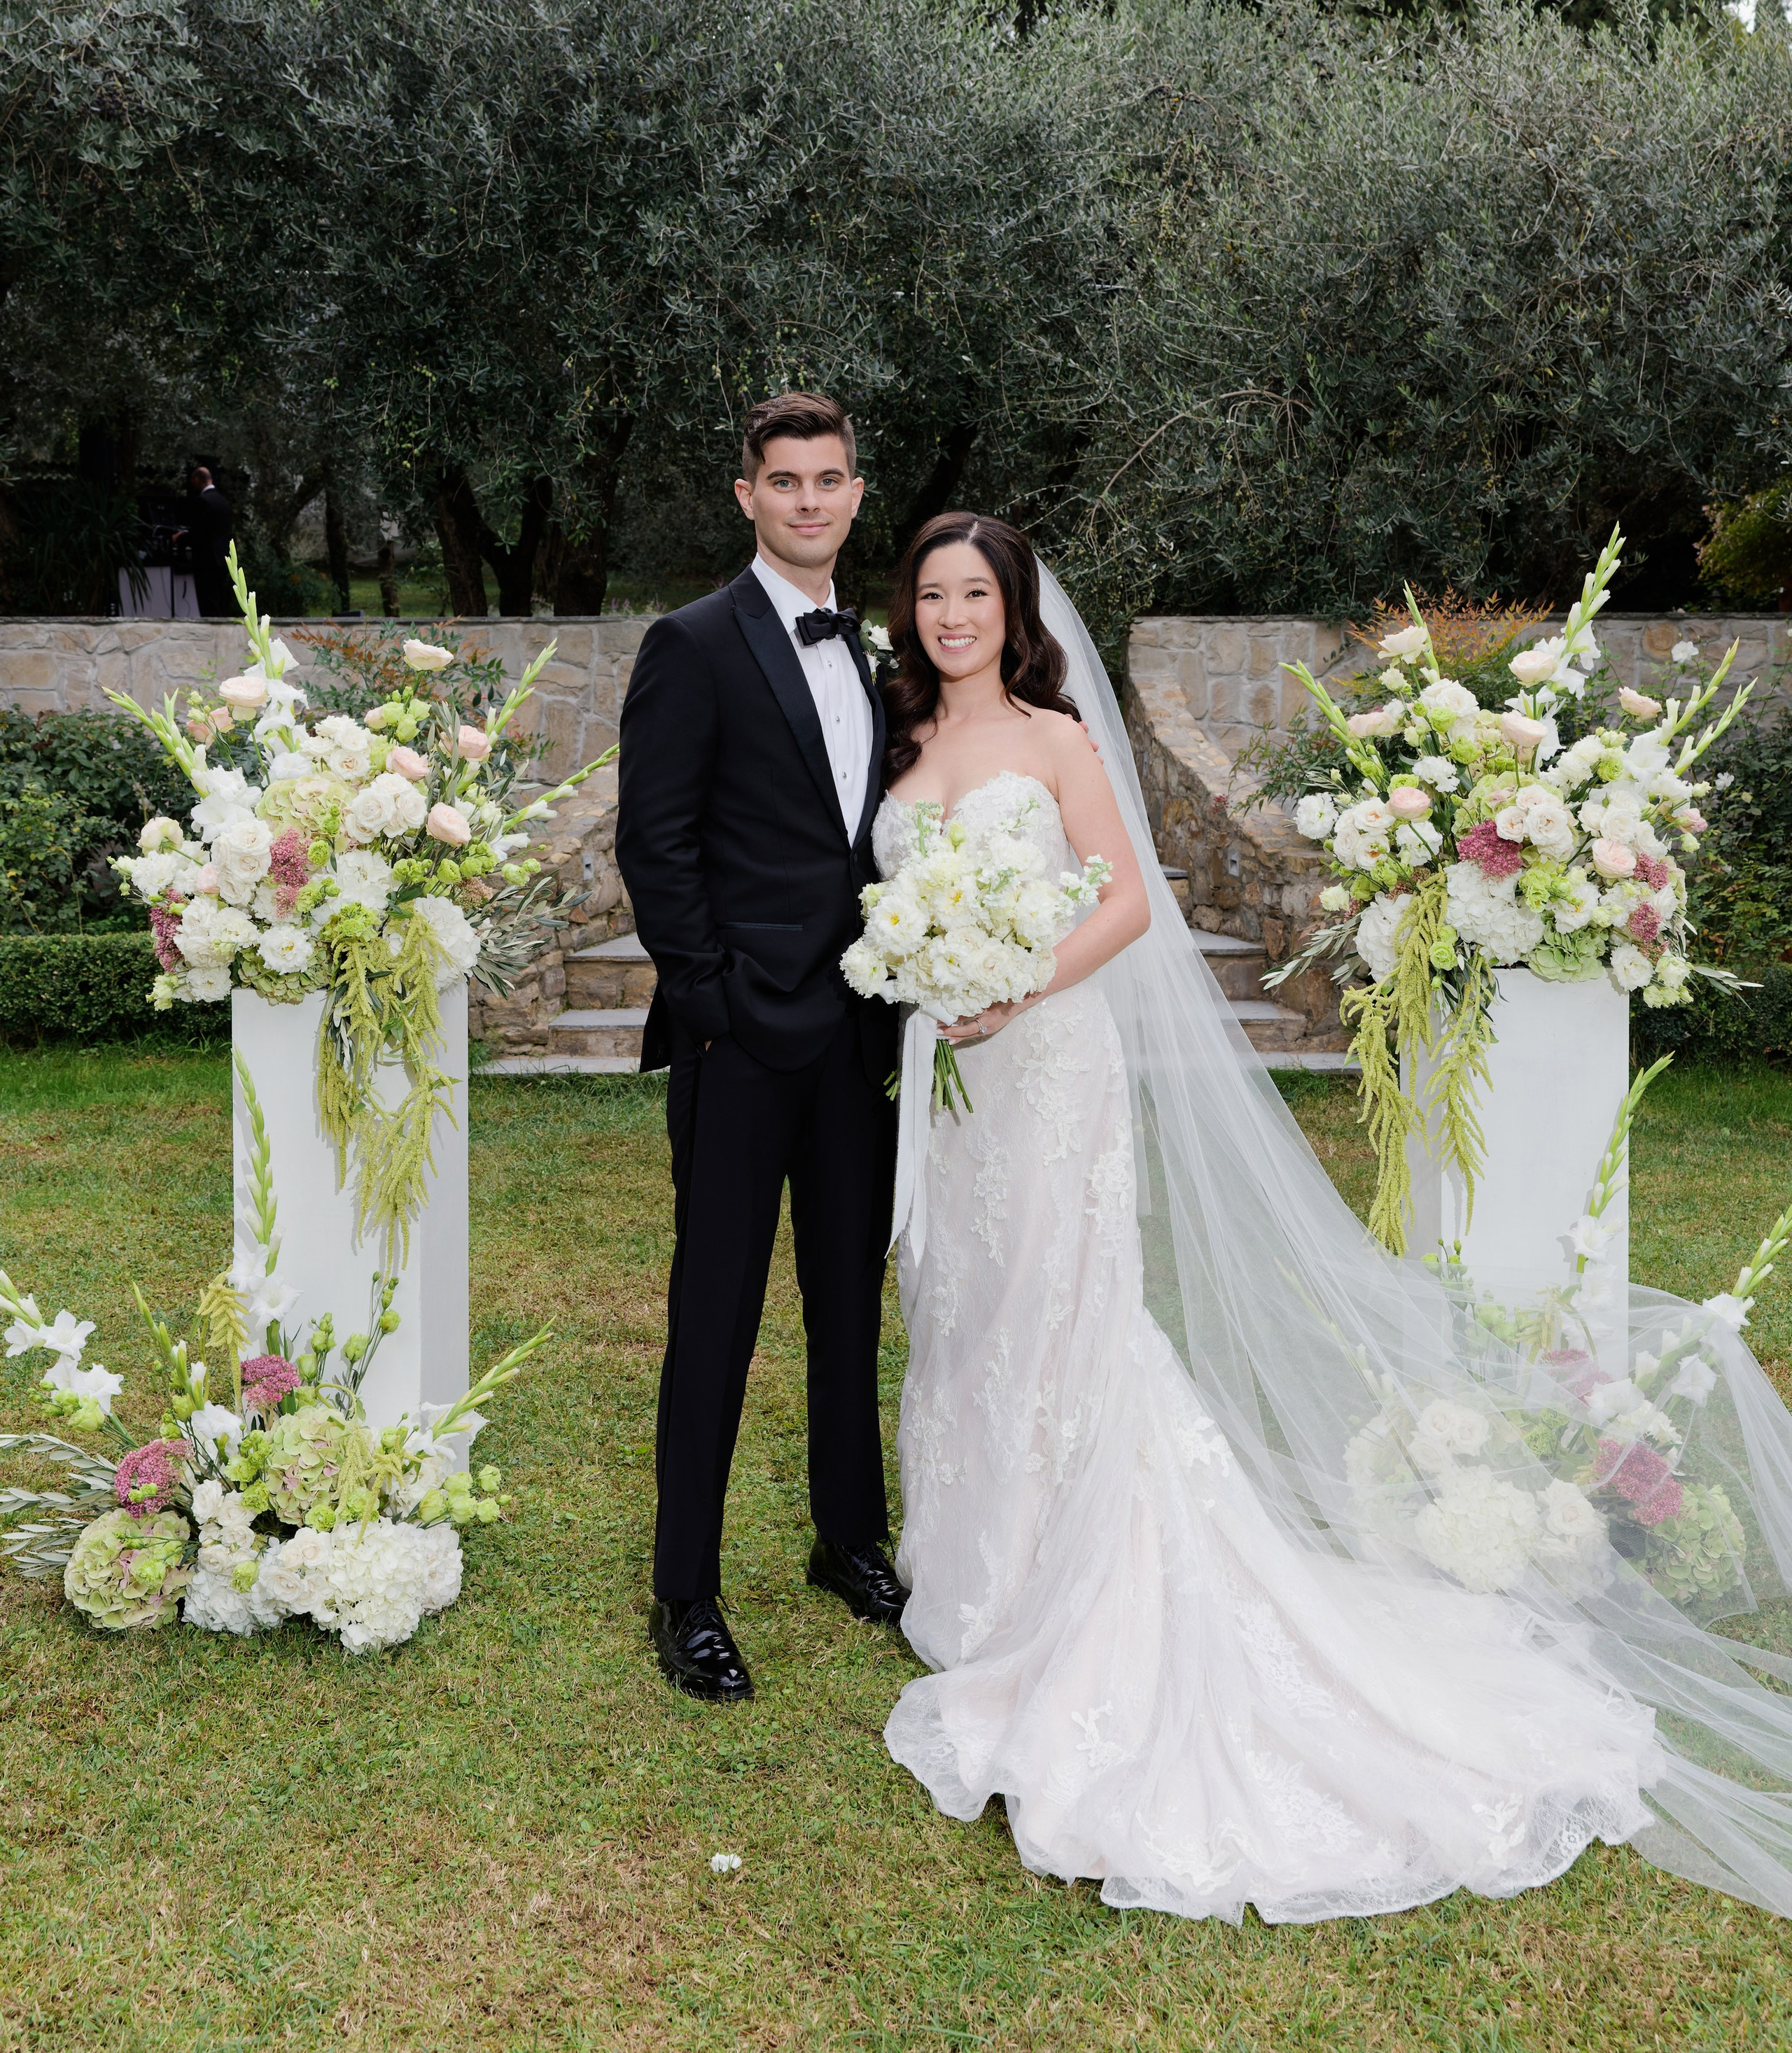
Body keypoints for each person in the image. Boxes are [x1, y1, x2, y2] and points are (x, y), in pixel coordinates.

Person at [876, 512, 1792, 1924]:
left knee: (1062, 1314)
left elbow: (1127, 903)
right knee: (965, 1311)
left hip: (1047, 1068)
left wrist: (1019, 984)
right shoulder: (905, 749)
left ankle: (1062, 1582)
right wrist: (933, 977)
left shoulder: (1054, 738)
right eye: (931, 595)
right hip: (951, 1083)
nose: (951, 617)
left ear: (1011, 612)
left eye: (974, 594)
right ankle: (969, 1567)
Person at [616, 393, 902, 1704]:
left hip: (858, 1036)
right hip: (741, 1043)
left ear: (855, 492)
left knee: (850, 1304)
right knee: (715, 1316)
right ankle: (687, 1593)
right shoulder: (691, 643)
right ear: (746, 496)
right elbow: (655, 846)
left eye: (827, 479)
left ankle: (848, 1541)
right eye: (782, 481)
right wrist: (713, 1001)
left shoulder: (880, 653)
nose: (806, 500)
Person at [186, 464, 234, 618]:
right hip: (223, 560)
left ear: (197, 479)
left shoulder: (203, 501)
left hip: (206, 561)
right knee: (220, 602)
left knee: (208, 604)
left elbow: (199, 534)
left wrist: (181, 539)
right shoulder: (223, 501)